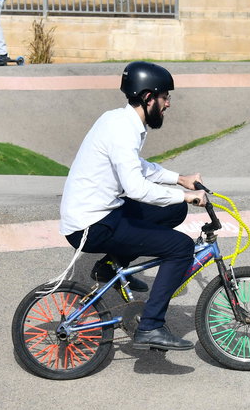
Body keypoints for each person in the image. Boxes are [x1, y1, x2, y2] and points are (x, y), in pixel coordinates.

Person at [58, 62, 206, 352]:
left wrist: (180, 180)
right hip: (91, 225)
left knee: (174, 211)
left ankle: (110, 266)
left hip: (100, 212)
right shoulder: (122, 130)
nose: (168, 104)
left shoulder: (121, 121)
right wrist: (185, 196)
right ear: (148, 97)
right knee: (180, 247)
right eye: (165, 97)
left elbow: (138, 168)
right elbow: (136, 188)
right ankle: (150, 326)